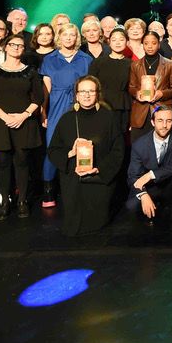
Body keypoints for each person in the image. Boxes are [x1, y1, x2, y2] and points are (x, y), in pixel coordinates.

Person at [45, 76, 125, 236]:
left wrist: (97, 169)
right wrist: (70, 153)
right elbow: (53, 150)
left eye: (91, 91)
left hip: (99, 179)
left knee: (98, 229)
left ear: (97, 94)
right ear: (76, 94)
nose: (86, 95)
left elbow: (118, 151)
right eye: (82, 91)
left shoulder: (108, 118)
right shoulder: (66, 119)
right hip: (73, 179)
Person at [0, 34, 45, 219]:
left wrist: (23, 116)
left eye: (20, 45)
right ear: (5, 47)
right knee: (2, 163)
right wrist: (5, 117)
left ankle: (22, 201)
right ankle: (4, 201)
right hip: (0, 123)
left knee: (22, 161)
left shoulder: (31, 72)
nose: (17, 48)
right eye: (13, 45)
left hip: (24, 122)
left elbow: (38, 98)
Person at [40, 23, 94, 206]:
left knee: (81, 145)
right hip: (56, 104)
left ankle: (79, 187)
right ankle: (49, 191)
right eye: (65, 35)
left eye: (73, 35)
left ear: (77, 37)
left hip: (80, 104)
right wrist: (43, 111)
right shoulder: (49, 59)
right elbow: (46, 88)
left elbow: (91, 86)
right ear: (59, 37)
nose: (69, 38)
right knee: (53, 146)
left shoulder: (86, 58)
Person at [125, 104, 172, 231]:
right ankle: (152, 213)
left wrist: (151, 174)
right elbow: (133, 176)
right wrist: (143, 194)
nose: (164, 125)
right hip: (152, 187)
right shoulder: (139, 145)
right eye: (160, 121)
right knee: (131, 206)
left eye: (169, 121)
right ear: (152, 122)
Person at [127, 31, 172, 141]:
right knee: (139, 148)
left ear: (159, 44)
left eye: (153, 43)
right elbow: (131, 87)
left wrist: (162, 94)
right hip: (140, 113)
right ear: (143, 45)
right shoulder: (135, 64)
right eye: (146, 43)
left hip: (161, 111)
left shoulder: (169, 64)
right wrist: (137, 93)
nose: (150, 46)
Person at [89, 27, 132, 115]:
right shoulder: (98, 62)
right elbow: (91, 84)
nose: (118, 43)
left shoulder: (132, 64)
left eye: (121, 40)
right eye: (114, 40)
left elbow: (136, 87)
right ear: (109, 42)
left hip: (122, 107)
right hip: (101, 106)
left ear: (127, 42)